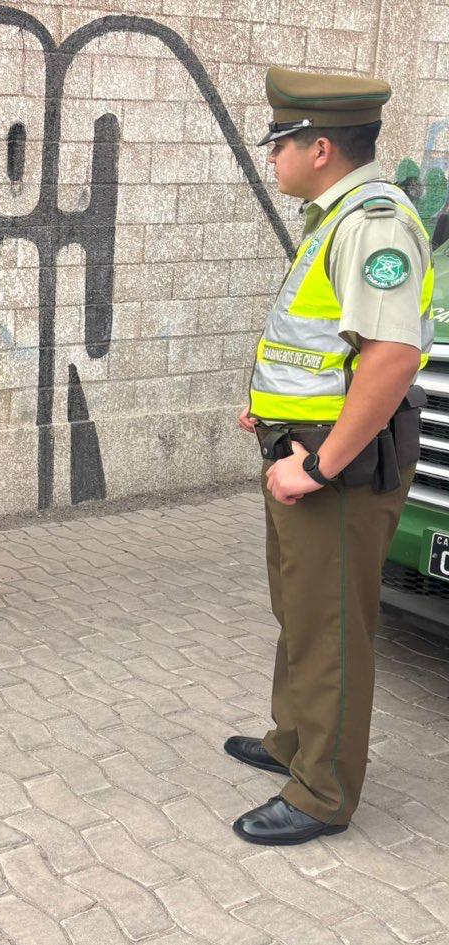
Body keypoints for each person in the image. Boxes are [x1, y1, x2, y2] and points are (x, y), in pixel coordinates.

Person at [226, 67, 434, 844]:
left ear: (319, 147)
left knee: (331, 630)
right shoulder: (336, 217)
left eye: (279, 141)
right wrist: (274, 408)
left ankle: (322, 792)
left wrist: (317, 466)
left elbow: (391, 357)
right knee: (301, 613)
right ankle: (294, 741)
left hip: (337, 472)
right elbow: (322, 348)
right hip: (302, 451)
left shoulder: (373, 223)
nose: (271, 156)